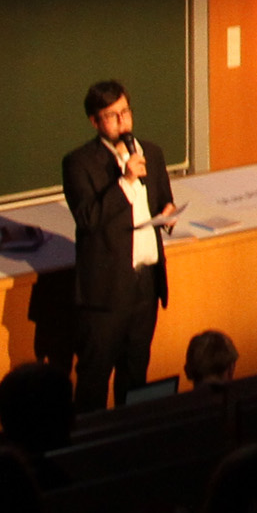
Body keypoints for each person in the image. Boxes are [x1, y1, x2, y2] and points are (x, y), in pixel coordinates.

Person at [63, 78, 179, 413]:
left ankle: (133, 435)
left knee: (136, 375)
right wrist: (125, 181)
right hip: (106, 292)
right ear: (94, 121)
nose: (122, 121)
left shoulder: (151, 154)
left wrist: (168, 215)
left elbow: (163, 201)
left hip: (146, 285)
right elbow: (88, 218)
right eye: (112, 116)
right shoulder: (79, 163)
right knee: (94, 380)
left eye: (125, 112)